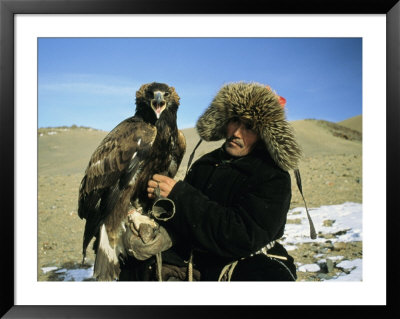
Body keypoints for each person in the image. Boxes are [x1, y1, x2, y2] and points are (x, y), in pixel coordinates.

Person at [142, 82, 303, 281]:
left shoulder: (272, 176)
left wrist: (179, 196)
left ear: (265, 134)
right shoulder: (206, 164)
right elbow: (185, 222)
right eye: (235, 120)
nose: (237, 133)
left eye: (250, 127)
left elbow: (242, 236)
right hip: (196, 259)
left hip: (248, 263)